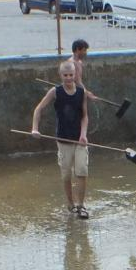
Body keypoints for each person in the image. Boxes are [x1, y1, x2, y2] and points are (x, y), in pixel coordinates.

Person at [32, 61, 91, 219]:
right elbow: (38, 109)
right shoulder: (55, 92)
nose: (68, 78)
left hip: (79, 140)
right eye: (65, 75)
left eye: (71, 75)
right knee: (66, 175)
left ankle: (81, 206)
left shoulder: (81, 92)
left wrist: (83, 134)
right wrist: (35, 128)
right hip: (63, 140)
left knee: (82, 171)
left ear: (75, 75)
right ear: (60, 76)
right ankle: (70, 204)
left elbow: (85, 116)